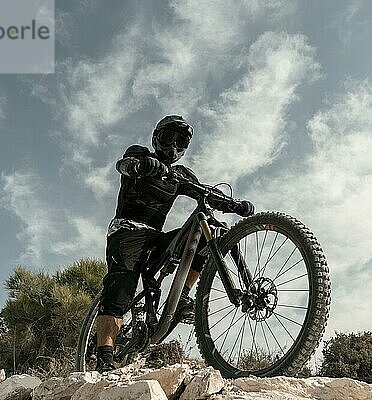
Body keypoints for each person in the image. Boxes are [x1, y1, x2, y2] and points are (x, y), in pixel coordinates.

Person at [95, 115, 254, 372]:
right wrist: (143, 166)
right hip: (127, 232)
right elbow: (125, 165)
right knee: (121, 287)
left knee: (204, 233)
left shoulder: (180, 175)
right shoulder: (140, 154)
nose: (174, 146)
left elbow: (205, 192)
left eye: (181, 142)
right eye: (169, 138)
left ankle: (184, 296)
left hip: (156, 237)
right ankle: (105, 354)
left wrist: (233, 205)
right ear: (157, 137)